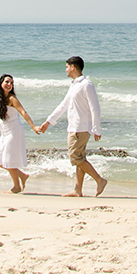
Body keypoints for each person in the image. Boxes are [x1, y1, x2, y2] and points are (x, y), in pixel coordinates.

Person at [38, 56, 108, 197]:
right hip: (74, 126)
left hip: (81, 127)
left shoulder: (86, 85)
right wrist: (49, 121)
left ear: (73, 67)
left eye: (66, 67)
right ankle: (77, 190)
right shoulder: (74, 84)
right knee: (80, 158)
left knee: (75, 157)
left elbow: (95, 108)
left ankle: (99, 180)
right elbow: (63, 105)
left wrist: (96, 128)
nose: (65, 70)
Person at [0, 74, 40, 194]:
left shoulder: (12, 99)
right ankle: (22, 176)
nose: (9, 85)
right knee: (0, 161)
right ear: (1, 83)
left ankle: (16, 187)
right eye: (7, 82)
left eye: (11, 83)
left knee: (8, 160)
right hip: (4, 132)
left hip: (14, 131)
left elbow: (23, 112)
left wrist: (33, 127)